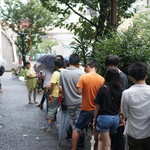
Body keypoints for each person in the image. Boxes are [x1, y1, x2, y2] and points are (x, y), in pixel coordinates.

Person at [71, 60, 105, 150]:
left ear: (88, 67)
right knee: (96, 130)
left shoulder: (83, 77)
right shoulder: (102, 79)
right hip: (98, 109)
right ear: (96, 68)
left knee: (77, 129)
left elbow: (78, 92)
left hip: (86, 108)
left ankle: (73, 148)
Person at [121, 62, 150, 150]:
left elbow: (125, 114)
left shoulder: (127, 93)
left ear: (131, 78)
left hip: (133, 133)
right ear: (146, 76)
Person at [94, 67, 123, 150]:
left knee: (107, 144)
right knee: (101, 138)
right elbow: (121, 106)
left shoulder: (103, 88)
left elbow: (97, 106)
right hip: (115, 119)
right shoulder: (120, 89)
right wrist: (120, 116)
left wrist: (95, 119)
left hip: (104, 118)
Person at [105, 54, 128, 150]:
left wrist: (121, 114)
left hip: (118, 113)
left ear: (109, 65)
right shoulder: (121, 76)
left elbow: (123, 96)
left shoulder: (121, 77)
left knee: (117, 140)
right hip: (114, 113)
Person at [60, 53, 83, 130]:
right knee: (79, 120)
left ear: (69, 61)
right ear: (78, 63)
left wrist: (64, 98)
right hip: (80, 100)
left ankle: (74, 135)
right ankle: (79, 136)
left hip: (69, 101)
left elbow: (61, 88)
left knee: (72, 120)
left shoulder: (62, 73)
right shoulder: (82, 74)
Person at [40, 59, 64, 131]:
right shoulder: (65, 71)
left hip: (56, 94)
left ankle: (48, 126)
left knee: (51, 109)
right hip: (64, 95)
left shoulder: (56, 73)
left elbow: (53, 83)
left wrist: (50, 94)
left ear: (56, 65)